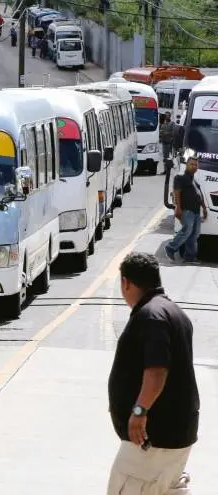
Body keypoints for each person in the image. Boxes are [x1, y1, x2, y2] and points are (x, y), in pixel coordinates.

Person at [107, 252, 199, 495]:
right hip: (176, 433)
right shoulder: (175, 313)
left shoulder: (151, 316)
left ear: (126, 282)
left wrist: (139, 412)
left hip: (154, 436)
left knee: (126, 487)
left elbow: (157, 371)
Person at [165, 153, 207, 263]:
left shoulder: (194, 180)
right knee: (187, 230)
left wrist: (204, 208)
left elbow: (199, 195)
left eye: (196, 165)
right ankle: (170, 247)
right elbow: (177, 192)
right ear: (187, 165)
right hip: (187, 210)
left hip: (196, 211)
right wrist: (178, 207)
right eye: (191, 164)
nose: (194, 166)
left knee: (194, 235)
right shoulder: (181, 178)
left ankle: (190, 257)